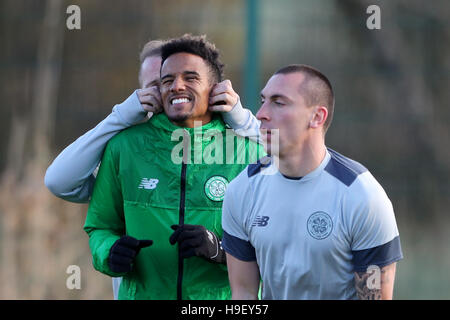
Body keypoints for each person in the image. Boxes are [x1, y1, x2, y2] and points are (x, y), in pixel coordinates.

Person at [44, 39, 259, 299]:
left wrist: (222, 250)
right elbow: (99, 225)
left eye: (189, 77)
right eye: (163, 82)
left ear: (216, 89)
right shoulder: (124, 147)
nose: (174, 87)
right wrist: (110, 251)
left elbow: (274, 240)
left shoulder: (250, 152)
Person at [221, 64, 403, 300]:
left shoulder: (362, 197)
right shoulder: (242, 189)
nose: (261, 113)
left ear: (317, 116)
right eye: (263, 100)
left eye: (278, 102)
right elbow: (244, 293)